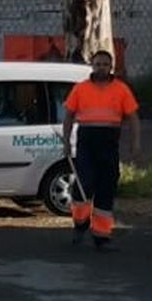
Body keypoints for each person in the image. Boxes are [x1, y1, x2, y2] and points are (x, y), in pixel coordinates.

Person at [61, 49, 141, 250]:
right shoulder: (81, 89)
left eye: (105, 64)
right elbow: (69, 115)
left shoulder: (121, 89)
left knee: (106, 188)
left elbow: (133, 118)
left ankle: (101, 236)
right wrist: (65, 142)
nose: (101, 68)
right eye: (98, 64)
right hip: (86, 142)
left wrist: (135, 142)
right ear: (92, 66)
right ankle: (80, 224)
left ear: (111, 67)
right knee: (83, 185)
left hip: (109, 143)